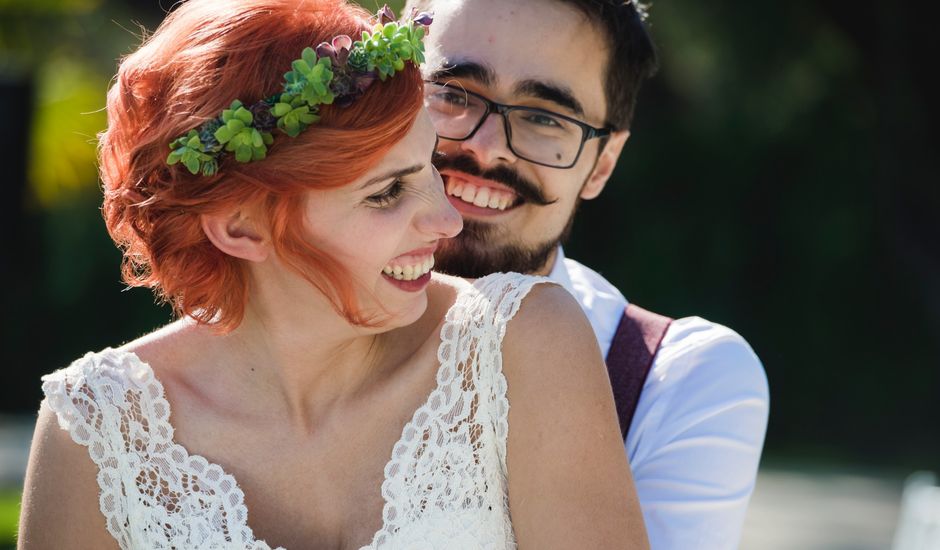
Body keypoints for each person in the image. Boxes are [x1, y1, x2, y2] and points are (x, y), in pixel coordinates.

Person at [16, 1, 650, 548]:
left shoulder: (517, 344)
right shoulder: (96, 430)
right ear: (240, 227)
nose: (446, 221)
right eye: (386, 193)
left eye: (427, 166)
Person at [406, 0, 771, 548]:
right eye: (452, 95)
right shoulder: (261, 306)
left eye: (544, 117)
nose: (485, 149)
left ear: (602, 164)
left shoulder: (676, 381)